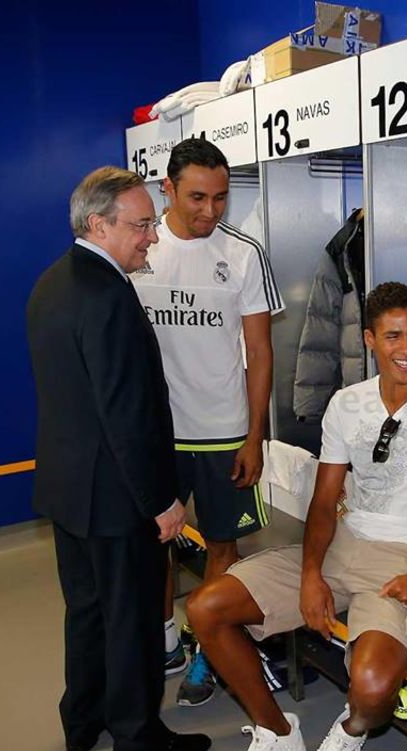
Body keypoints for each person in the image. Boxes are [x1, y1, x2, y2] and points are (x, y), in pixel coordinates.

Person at [187, 281, 407, 751]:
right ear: (369, 339)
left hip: (406, 560)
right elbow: (324, 503)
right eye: (393, 336)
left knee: (373, 686)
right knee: (207, 607)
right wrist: (311, 574)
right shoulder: (346, 403)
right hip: (341, 544)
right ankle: (277, 734)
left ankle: (349, 730)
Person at [26, 166, 211, 751]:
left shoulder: (52, 283)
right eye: (141, 225)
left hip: (69, 492)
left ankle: (83, 722)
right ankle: (138, 741)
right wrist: (160, 501)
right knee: (130, 620)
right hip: (116, 499)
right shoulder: (108, 296)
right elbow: (125, 414)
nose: (152, 236)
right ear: (98, 225)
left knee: (87, 612)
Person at [131, 138, 283, 706]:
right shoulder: (138, 248)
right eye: (197, 197)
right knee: (155, 547)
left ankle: (207, 652)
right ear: (166, 189)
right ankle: (166, 640)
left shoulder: (243, 253)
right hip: (157, 434)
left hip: (225, 432)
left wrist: (255, 435)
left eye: (221, 198)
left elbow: (260, 352)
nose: (210, 210)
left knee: (223, 547)